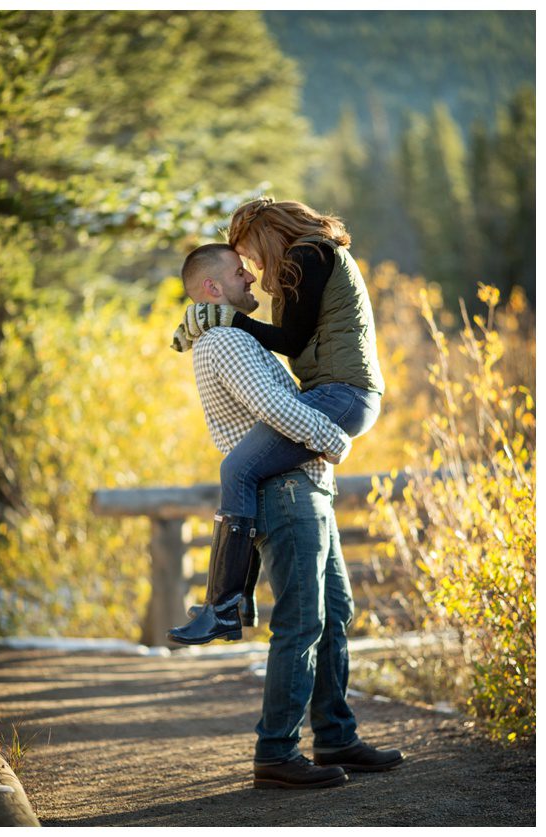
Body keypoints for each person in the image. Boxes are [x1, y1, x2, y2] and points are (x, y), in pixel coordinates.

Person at [177, 244, 403, 789]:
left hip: (304, 487)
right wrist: (335, 439)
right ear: (212, 288)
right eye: (238, 272)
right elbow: (278, 410)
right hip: (284, 492)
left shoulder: (236, 336)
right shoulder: (227, 341)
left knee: (335, 611)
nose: (250, 276)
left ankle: (335, 736)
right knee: (301, 621)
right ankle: (276, 751)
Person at [168, 198, 384, 642]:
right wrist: (220, 317)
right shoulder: (305, 260)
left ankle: (225, 605)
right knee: (242, 470)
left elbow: (289, 339)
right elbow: (293, 339)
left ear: (264, 233)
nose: (251, 264)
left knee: (238, 467)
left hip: (343, 395)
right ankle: (228, 605)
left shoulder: (311, 254)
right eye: (241, 263)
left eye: (249, 251)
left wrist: (225, 317)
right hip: (333, 393)